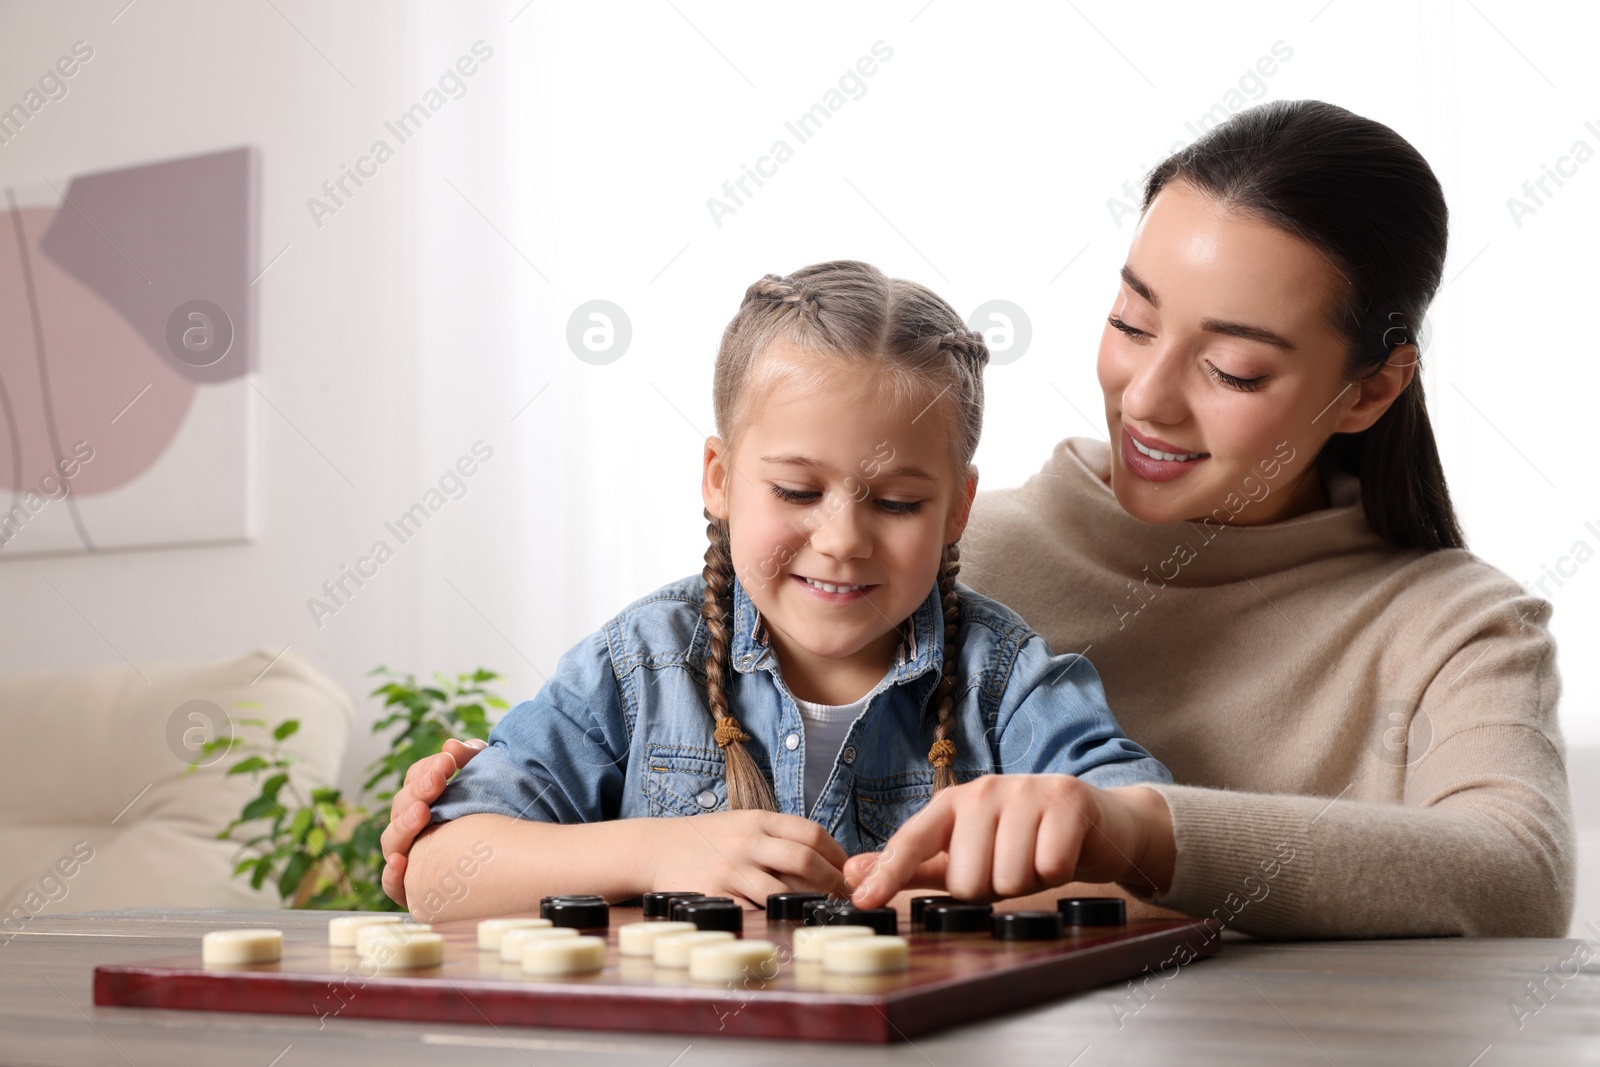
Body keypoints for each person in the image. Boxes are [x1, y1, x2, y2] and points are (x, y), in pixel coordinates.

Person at [386, 100, 1575, 939]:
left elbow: (1515, 875)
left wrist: (1130, 830)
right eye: (1131, 319)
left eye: (1234, 367)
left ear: (1369, 386)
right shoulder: (914, 562)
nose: (1146, 398)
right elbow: (528, 813)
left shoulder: (1453, 625)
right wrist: (482, 828)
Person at [402, 261, 1173, 920]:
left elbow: (1166, 862)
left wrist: (913, 898)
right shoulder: (642, 663)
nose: (841, 539)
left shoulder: (1006, 681)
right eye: (798, 491)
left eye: (897, 502)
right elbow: (439, 870)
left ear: (957, 508)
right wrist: (660, 850)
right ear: (721, 478)